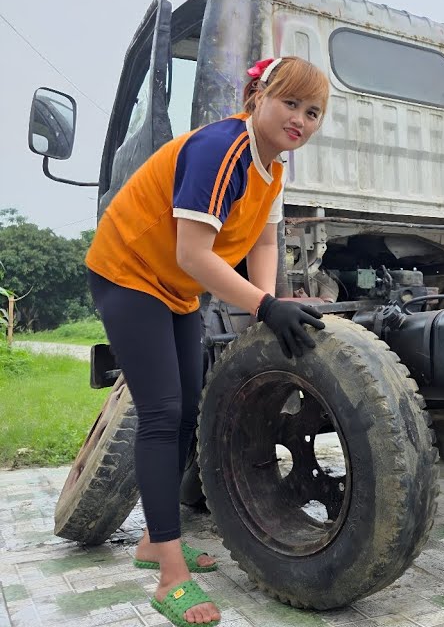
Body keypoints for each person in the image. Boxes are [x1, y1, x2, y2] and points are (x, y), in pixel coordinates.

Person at [84, 56, 330, 626]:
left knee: (188, 412)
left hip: (176, 288)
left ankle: (154, 540)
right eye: (290, 103)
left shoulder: (273, 167)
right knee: (161, 414)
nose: (300, 119)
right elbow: (193, 253)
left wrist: (266, 305)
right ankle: (171, 577)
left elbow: (262, 242)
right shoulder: (223, 150)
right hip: (129, 272)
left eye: (313, 112)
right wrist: (265, 306)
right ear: (258, 97)